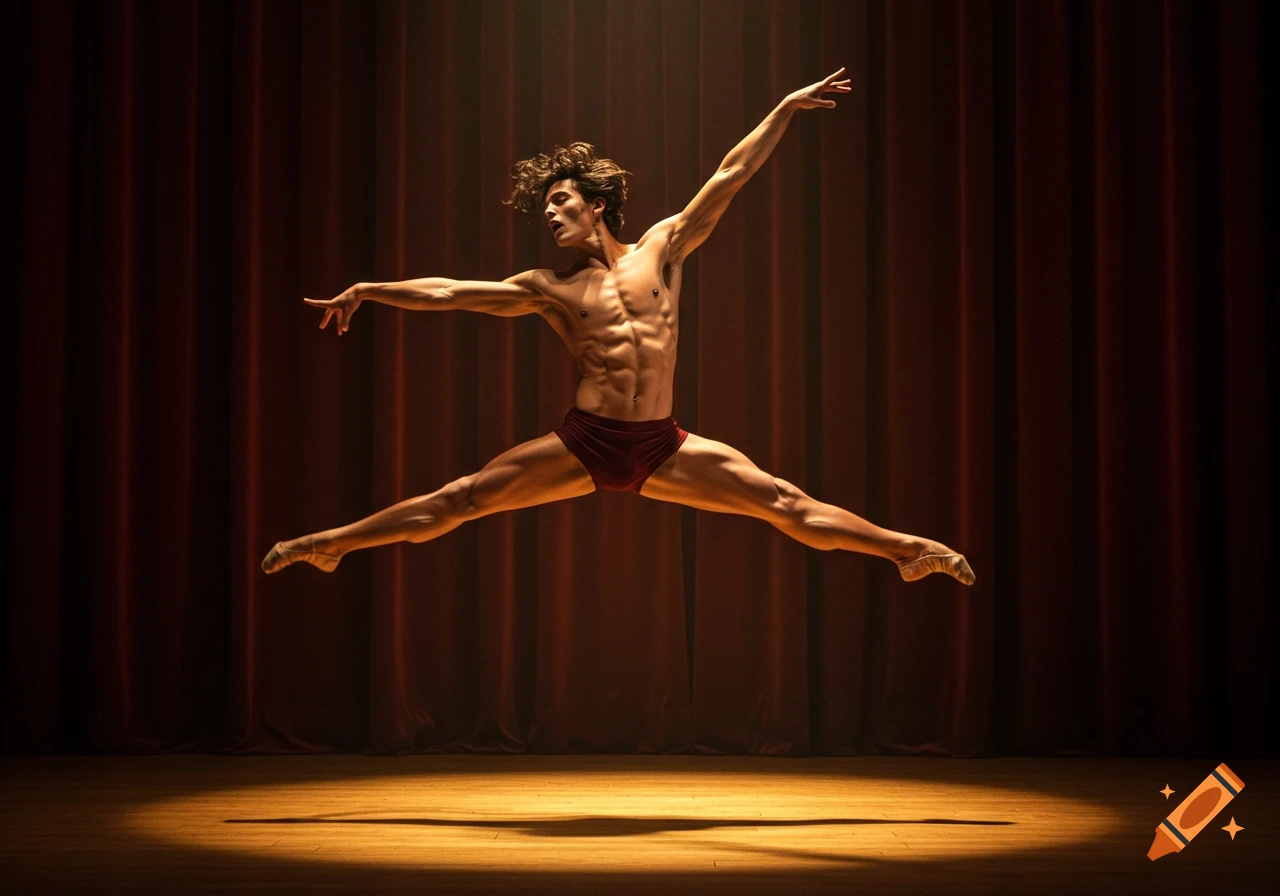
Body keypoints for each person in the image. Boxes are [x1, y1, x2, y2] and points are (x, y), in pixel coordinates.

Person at [262, 67, 974, 587]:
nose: (549, 214)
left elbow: (731, 172)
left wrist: (783, 109)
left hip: (661, 443)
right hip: (586, 440)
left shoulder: (663, 248)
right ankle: (330, 544)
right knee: (461, 499)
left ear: (595, 206)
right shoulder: (549, 288)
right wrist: (370, 289)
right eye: (544, 207)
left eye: (561, 201)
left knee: (785, 502)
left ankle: (907, 552)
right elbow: (451, 292)